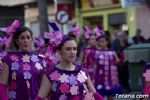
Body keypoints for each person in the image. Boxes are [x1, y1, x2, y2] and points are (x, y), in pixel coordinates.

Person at [35, 23, 104, 100]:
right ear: (60, 51)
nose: (72, 52)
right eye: (68, 49)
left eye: (74, 49)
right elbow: (40, 98)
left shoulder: (83, 72)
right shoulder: (50, 73)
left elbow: (95, 95)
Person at [0, 20, 47, 100]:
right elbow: (2, 85)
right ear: (17, 41)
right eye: (22, 38)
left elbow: (45, 86)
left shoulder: (40, 59)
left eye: (28, 37)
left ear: (31, 40)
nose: (26, 41)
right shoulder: (8, 59)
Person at [94, 27, 124, 100]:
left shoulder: (112, 52)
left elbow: (118, 62)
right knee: (99, 97)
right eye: (99, 42)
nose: (100, 43)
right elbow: (93, 65)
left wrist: (122, 55)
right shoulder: (96, 52)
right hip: (100, 79)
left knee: (111, 97)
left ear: (107, 42)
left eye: (102, 41)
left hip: (111, 79)